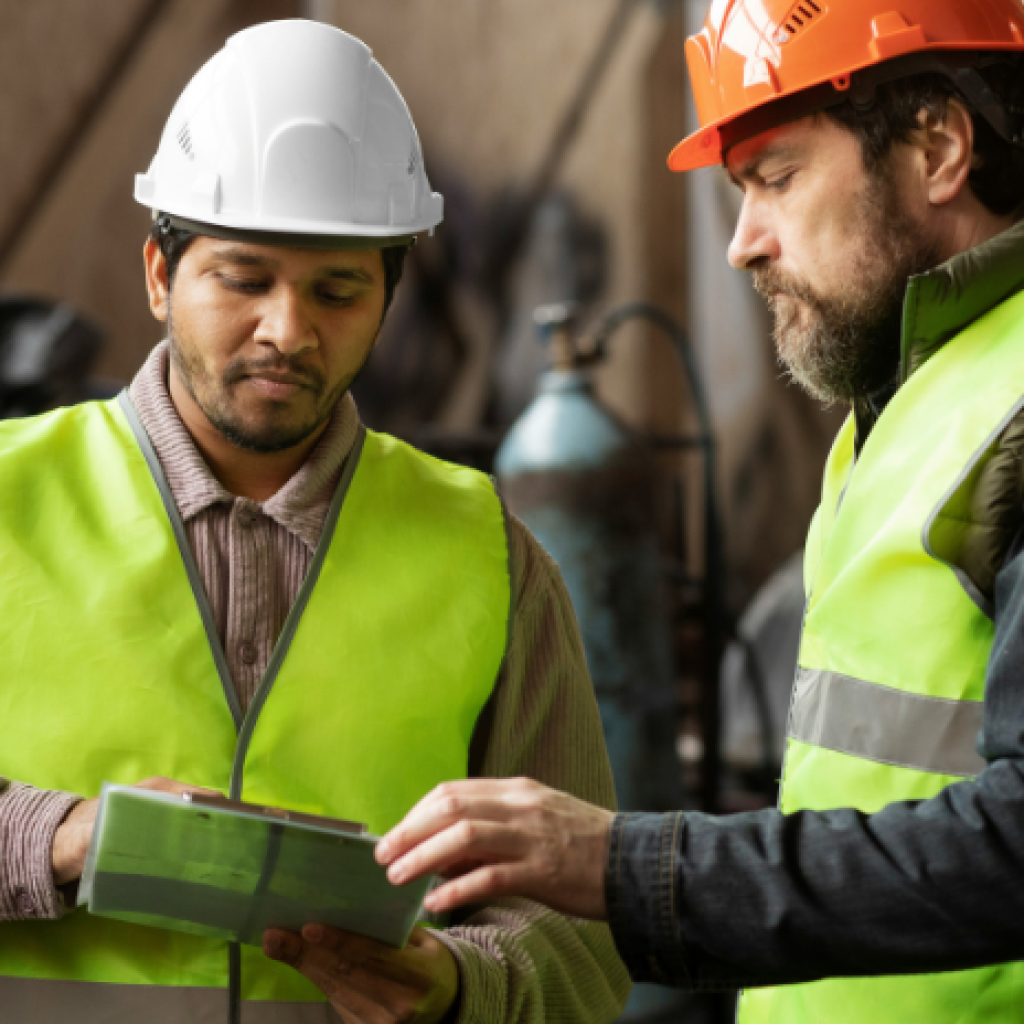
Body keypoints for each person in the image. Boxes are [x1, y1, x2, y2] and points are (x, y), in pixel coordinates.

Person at [375, 2, 1024, 1021]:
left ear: (936, 147)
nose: (740, 243)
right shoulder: (909, 397)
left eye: (774, 177)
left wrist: (625, 867)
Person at [0, 20, 630, 1024]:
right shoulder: (6, 499)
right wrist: (67, 837)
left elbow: (585, 946)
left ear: (387, 300)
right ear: (161, 275)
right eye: (243, 279)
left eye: (337, 290)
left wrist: (462, 984)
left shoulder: (484, 556)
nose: (287, 330)